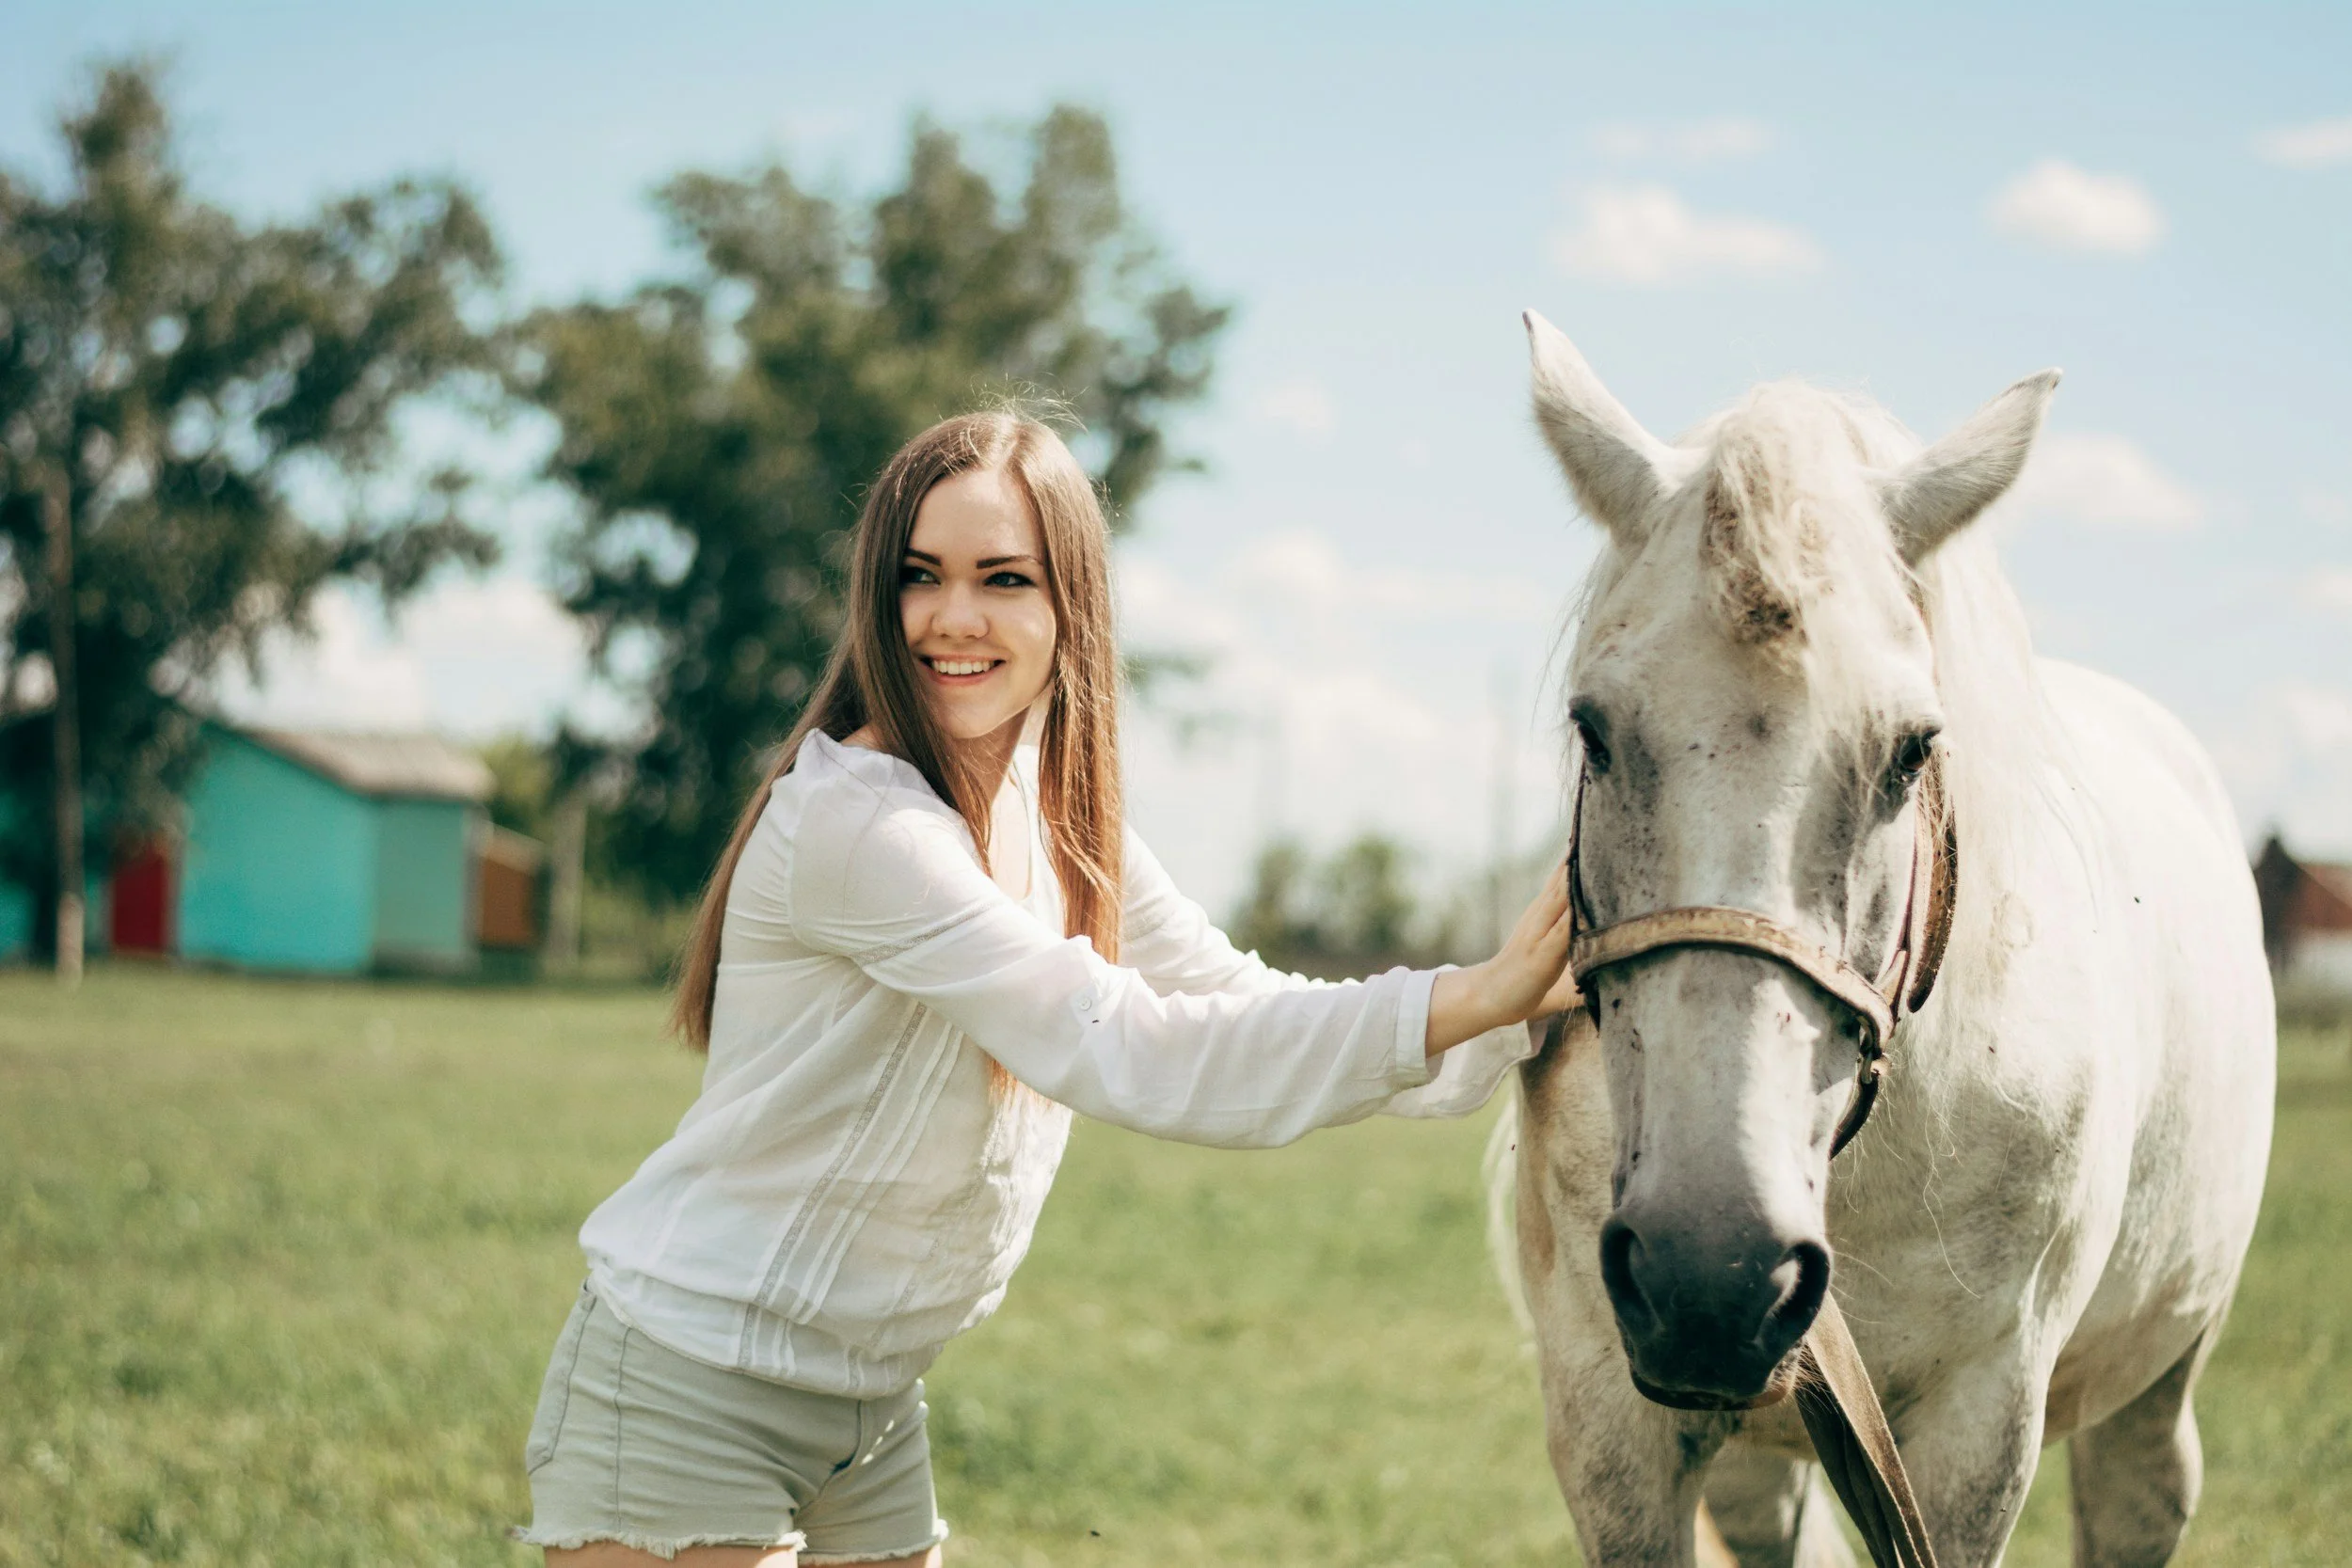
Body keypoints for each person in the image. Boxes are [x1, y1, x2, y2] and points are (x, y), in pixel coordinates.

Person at [516, 411, 1576, 1567]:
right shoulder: (859, 821)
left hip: (867, 1405)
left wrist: (1514, 1012)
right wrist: (1474, 992)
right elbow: (1131, 1046)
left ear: (1070, 603)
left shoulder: (1066, 818)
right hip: (690, 1383)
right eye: (920, 577)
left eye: (1002, 578)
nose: (953, 616)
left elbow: (1235, 998)